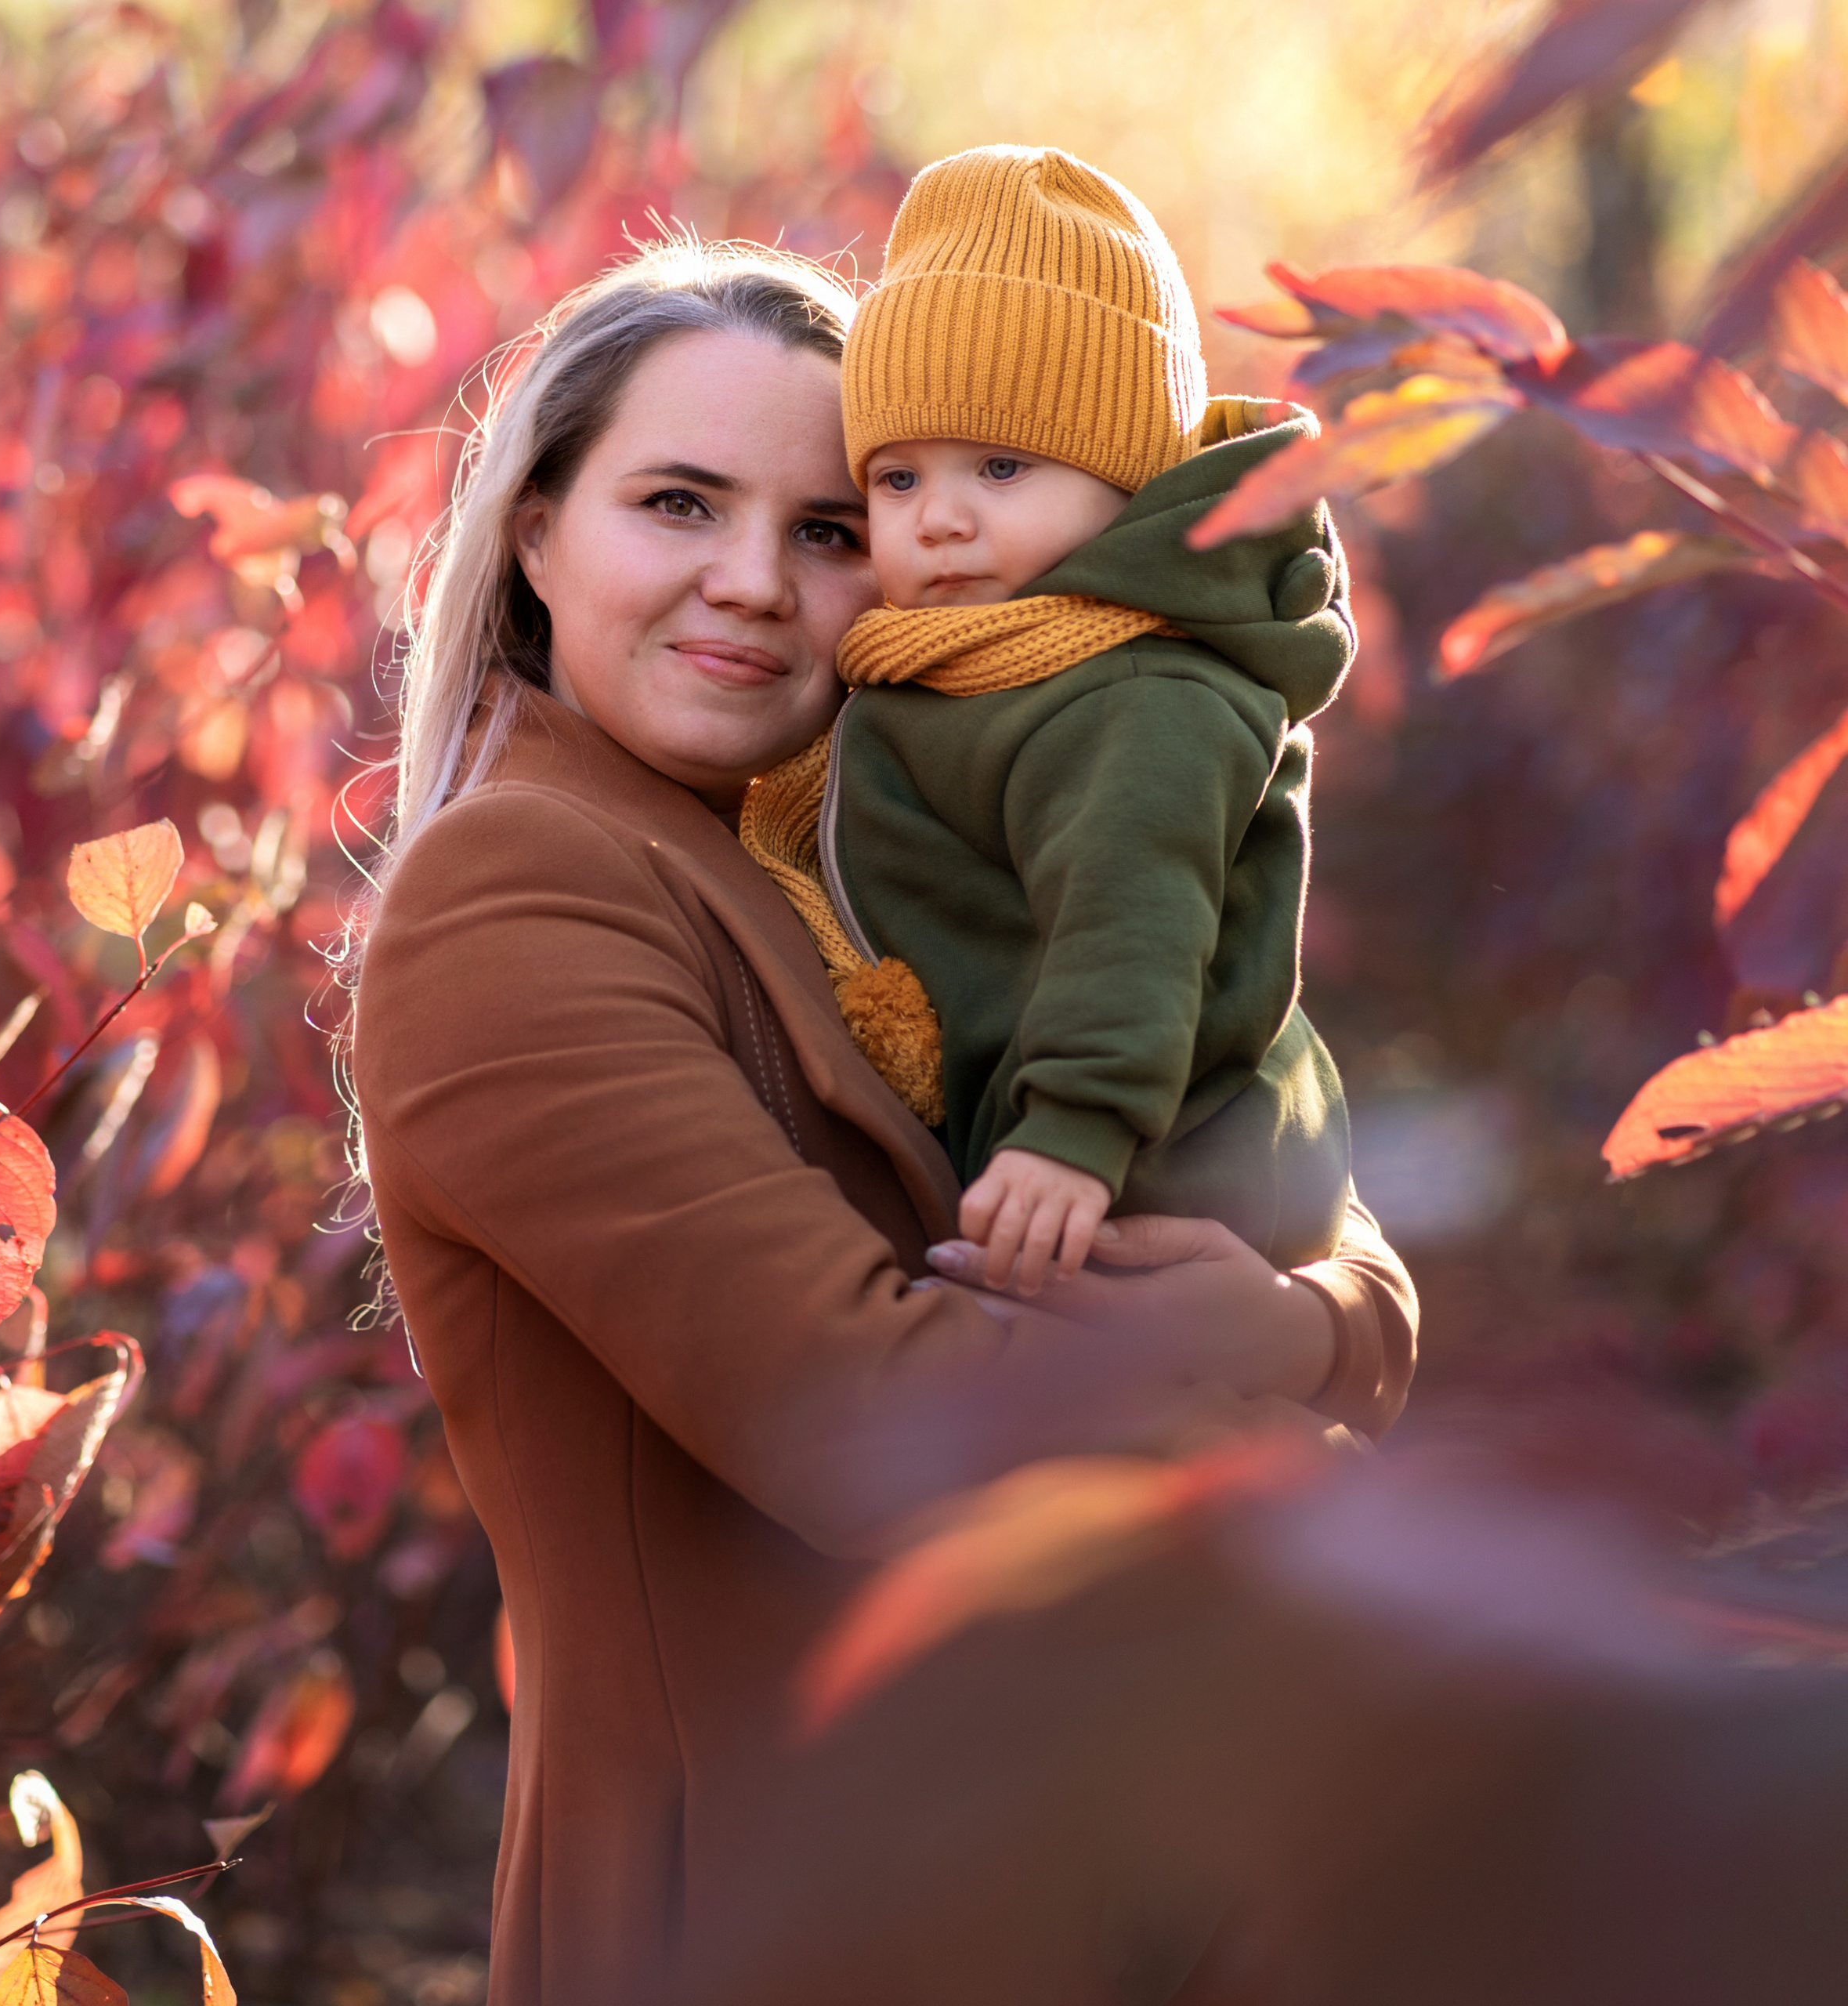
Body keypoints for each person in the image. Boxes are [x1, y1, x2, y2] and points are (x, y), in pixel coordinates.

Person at [349, 234, 1416, 2006]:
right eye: (677, 503)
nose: (754, 583)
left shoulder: (863, 847)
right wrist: (1386, 1508)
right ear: (536, 533)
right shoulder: (519, 890)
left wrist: (1301, 1319)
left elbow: (1257, 1126)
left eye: (828, 526)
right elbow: (869, 1414)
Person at [743, 146, 1351, 1298]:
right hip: (1074, 1147)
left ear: (1128, 478)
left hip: (1157, 1160)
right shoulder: (981, 661)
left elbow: (1136, 916)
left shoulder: (1138, 693)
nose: (941, 521)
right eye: (898, 480)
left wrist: (1074, 1126)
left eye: (1003, 468)